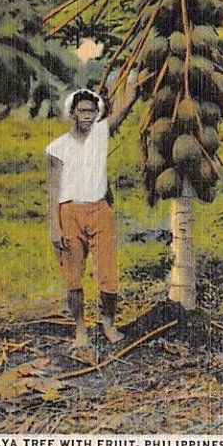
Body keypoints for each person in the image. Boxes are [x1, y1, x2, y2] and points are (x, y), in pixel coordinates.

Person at [44, 77, 140, 352]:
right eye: (82, 111)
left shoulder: (100, 134)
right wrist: (55, 227)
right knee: (73, 277)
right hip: (69, 213)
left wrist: (133, 88)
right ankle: (80, 330)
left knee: (108, 273)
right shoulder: (56, 148)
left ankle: (108, 325)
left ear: (96, 114)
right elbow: (52, 189)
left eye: (91, 111)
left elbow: (122, 111)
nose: (87, 116)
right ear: (72, 113)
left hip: (100, 210)